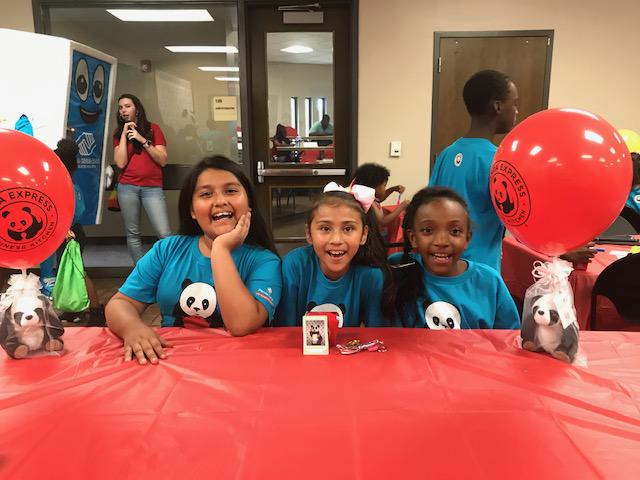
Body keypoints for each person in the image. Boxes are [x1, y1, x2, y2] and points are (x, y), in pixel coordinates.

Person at [106, 156, 282, 364]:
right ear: (191, 210)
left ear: (249, 203)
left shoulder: (264, 261)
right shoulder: (167, 250)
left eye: (231, 191)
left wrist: (221, 250)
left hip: (239, 366)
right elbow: (120, 303)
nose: (220, 201)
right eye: (206, 194)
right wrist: (132, 328)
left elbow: (241, 324)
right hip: (172, 363)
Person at [390, 186, 520, 329]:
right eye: (428, 230)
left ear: (467, 238)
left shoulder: (489, 282)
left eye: (455, 231)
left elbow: (509, 340)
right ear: (413, 238)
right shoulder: (398, 270)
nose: (441, 241)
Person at [429, 70, 518, 272]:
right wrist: (559, 250)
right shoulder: (500, 162)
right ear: (497, 106)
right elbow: (520, 222)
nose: (516, 111)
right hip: (478, 272)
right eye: (514, 103)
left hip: (441, 265)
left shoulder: (446, 155)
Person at [274, 184, 393, 327]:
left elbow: (378, 336)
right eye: (325, 228)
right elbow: (285, 330)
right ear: (308, 233)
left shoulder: (371, 275)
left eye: (348, 229)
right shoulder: (294, 265)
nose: (336, 240)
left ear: (364, 234)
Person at [39, 139, 105, 326]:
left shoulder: (65, 184)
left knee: (78, 271)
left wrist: (66, 229)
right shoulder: (68, 180)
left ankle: (96, 311)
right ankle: (71, 311)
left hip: (70, 234)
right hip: (68, 232)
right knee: (65, 271)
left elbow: (73, 212)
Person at [113, 94, 172, 264]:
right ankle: (140, 273)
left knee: (164, 233)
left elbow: (162, 159)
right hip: (127, 188)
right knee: (133, 233)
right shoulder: (118, 133)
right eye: (121, 107)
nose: (124, 110)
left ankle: (170, 269)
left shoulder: (153, 129)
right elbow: (120, 162)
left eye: (128, 106)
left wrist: (141, 139)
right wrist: (124, 135)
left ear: (137, 109)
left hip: (152, 188)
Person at [351, 163, 409, 240]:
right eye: (384, 185)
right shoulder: (370, 203)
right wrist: (401, 207)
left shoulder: (370, 199)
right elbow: (383, 221)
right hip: (373, 239)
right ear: (373, 186)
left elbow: (380, 199)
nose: (385, 188)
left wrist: (392, 189)